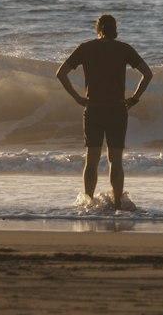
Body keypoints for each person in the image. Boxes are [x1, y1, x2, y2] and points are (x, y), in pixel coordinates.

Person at [56, 13, 153, 208]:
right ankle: (117, 204)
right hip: (117, 109)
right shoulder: (124, 49)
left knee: (91, 160)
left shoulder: (86, 48)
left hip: (93, 109)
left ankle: (88, 203)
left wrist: (77, 98)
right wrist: (134, 98)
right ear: (115, 28)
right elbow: (147, 74)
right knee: (115, 161)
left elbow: (61, 73)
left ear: (97, 28)